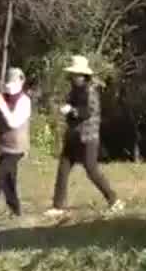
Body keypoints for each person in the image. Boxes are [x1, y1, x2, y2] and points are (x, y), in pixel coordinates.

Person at [47, 55, 122, 216]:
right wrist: (67, 110)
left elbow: (88, 112)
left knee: (91, 170)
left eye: (77, 75)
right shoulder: (72, 91)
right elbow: (72, 113)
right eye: (73, 75)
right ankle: (57, 206)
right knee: (63, 169)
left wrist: (72, 111)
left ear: (84, 76)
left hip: (88, 137)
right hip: (73, 136)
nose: (74, 78)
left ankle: (114, 200)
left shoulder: (91, 91)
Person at [0, 68, 32, 220]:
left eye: (14, 82)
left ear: (21, 82)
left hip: (17, 147)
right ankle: (15, 210)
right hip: (3, 146)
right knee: (8, 179)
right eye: (8, 83)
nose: (10, 86)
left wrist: (2, 105)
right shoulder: (3, 97)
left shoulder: (24, 101)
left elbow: (13, 122)